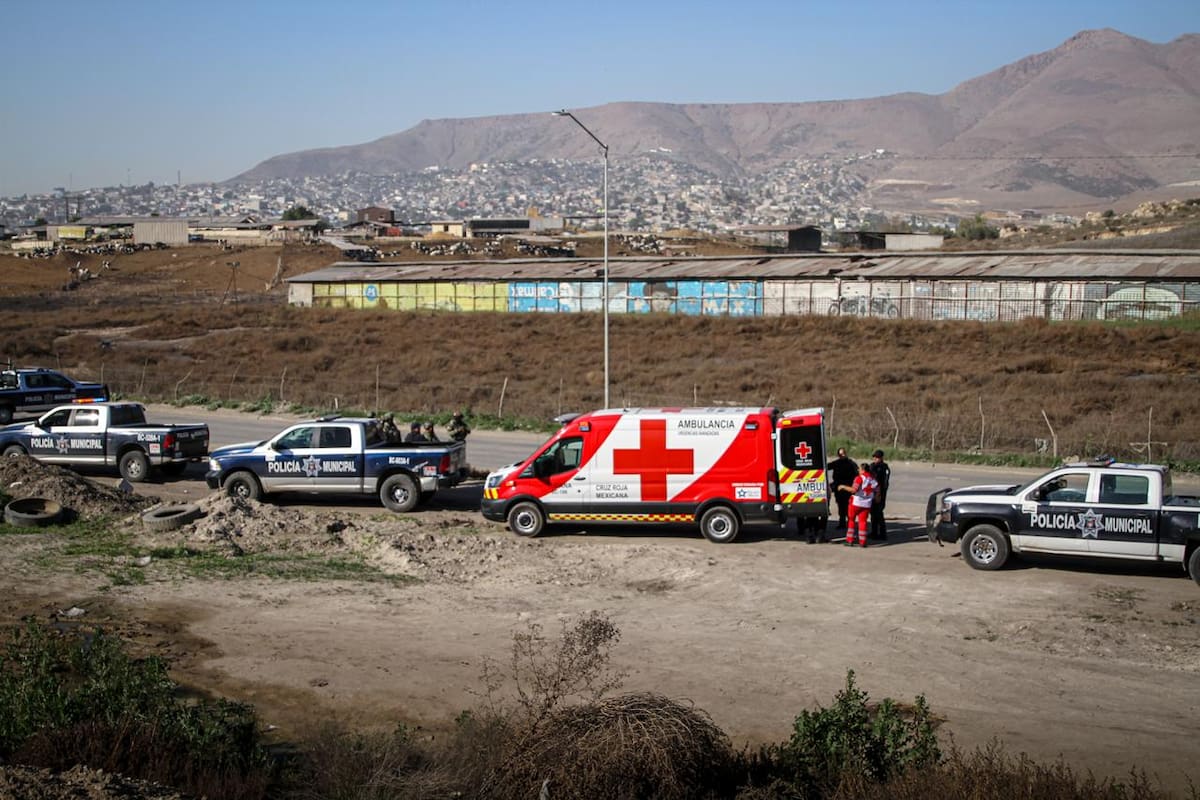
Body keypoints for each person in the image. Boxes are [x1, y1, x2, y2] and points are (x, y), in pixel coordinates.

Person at [839, 461, 878, 548]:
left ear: (863, 470)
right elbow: (877, 490)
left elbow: (854, 490)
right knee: (863, 522)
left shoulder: (859, 478)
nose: (858, 470)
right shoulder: (873, 479)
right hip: (867, 504)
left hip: (856, 503)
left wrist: (843, 487)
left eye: (859, 469)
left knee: (851, 520)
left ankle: (850, 540)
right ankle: (863, 541)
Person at [826, 447, 858, 532]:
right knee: (840, 506)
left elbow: (857, 475)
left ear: (846, 453)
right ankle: (842, 523)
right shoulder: (837, 463)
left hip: (848, 487)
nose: (842, 455)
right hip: (839, 487)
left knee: (849, 507)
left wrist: (854, 487)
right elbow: (826, 467)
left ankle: (850, 524)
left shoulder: (851, 463)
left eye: (843, 453)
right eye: (840, 454)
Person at [868, 449, 891, 541]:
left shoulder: (884, 468)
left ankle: (882, 533)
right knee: (873, 514)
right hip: (871, 493)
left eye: (877, 457)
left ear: (881, 458)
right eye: (874, 457)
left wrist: (880, 494)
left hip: (880, 493)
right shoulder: (872, 466)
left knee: (879, 514)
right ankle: (874, 532)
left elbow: (885, 483)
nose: (875, 459)